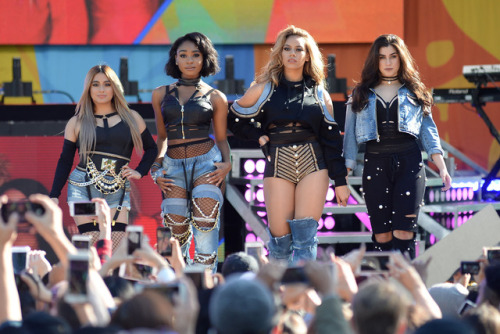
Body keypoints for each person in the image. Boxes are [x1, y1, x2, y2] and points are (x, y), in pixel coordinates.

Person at [228, 25, 350, 263]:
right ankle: (279, 298)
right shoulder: (263, 88)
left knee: (305, 239)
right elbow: (232, 119)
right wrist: (259, 135)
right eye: (287, 48)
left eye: (298, 49)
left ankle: (303, 297)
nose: (292, 53)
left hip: (314, 163)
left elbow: (332, 141)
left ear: (307, 56)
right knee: (280, 243)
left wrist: (341, 182)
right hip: (278, 161)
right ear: (280, 53)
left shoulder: (320, 93)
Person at [343, 34, 452, 258]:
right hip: (375, 163)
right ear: (375, 61)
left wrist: (441, 166)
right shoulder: (360, 94)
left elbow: (428, 131)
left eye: (393, 56)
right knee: (382, 235)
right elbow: (350, 138)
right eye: (382, 57)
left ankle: (405, 289)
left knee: (404, 232)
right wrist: (344, 175)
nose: (388, 62)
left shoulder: (415, 91)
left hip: (409, 163)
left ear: (401, 59)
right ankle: (386, 289)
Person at [50, 65, 157, 251]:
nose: (101, 89)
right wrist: (53, 195)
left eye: (107, 84)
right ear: (88, 89)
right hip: (82, 189)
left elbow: (152, 148)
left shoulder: (132, 118)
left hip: (118, 189)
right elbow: (65, 161)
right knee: (91, 245)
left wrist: (140, 171)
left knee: (115, 247)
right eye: (95, 84)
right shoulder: (77, 122)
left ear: (114, 87)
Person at [151, 32, 231, 273]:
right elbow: (162, 137)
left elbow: (221, 139)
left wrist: (228, 164)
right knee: (173, 231)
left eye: (196, 55)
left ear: (204, 59)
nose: (189, 60)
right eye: (183, 55)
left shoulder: (216, 97)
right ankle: (171, 288)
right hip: (172, 165)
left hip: (207, 164)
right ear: (175, 59)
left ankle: (205, 292)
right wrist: (156, 168)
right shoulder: (159, 94)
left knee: (206, 227)